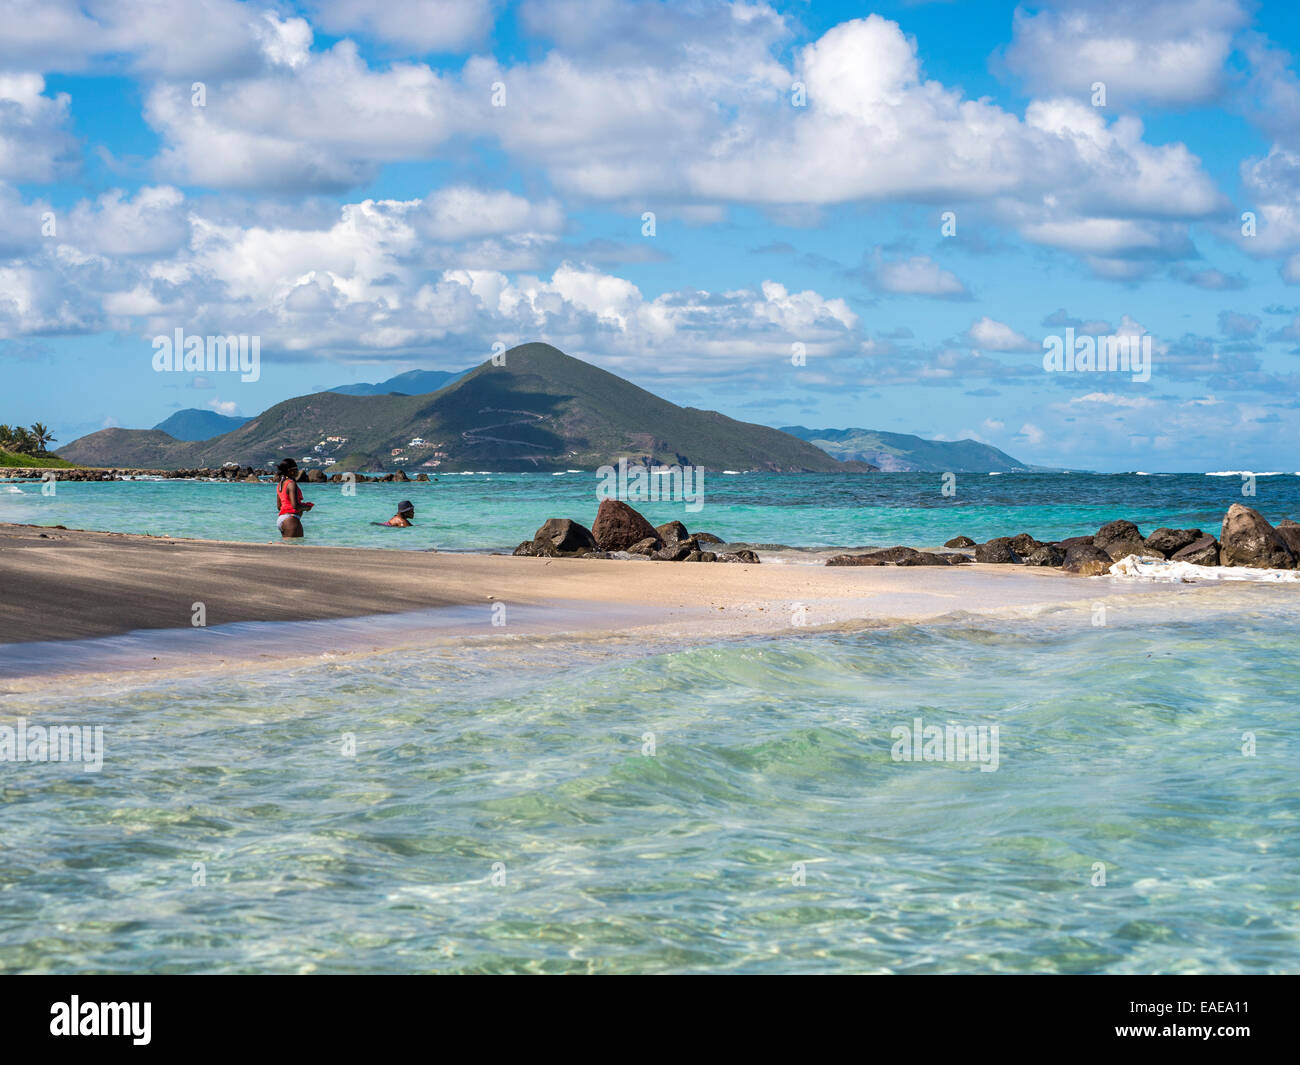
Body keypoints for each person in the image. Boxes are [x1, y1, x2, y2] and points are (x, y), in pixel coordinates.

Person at [275, 458, 313, 538]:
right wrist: (306, 507)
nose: (298, 471)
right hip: (291, 520)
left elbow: (279, 507)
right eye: (296, 469)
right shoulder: (291, 484)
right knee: (296, 548)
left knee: (287, 548)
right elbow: (295, 506)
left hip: (281, 519)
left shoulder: (280, 485)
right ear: (291, 471)